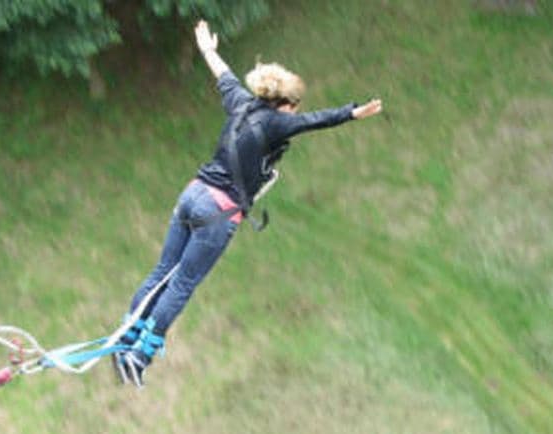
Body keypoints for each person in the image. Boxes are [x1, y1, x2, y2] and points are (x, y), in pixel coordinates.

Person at [112, 20, 383, 387]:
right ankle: (139, 357)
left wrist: (208, 49)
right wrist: (352, 112)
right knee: (182, 284)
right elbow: (316, 122)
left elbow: (222, 74)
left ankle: (126, 337)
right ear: (285, 104)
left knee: (162, 272)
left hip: (192, 194)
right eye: (295, 106)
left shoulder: (239, 102)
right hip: (218, 212)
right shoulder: (278, 123)